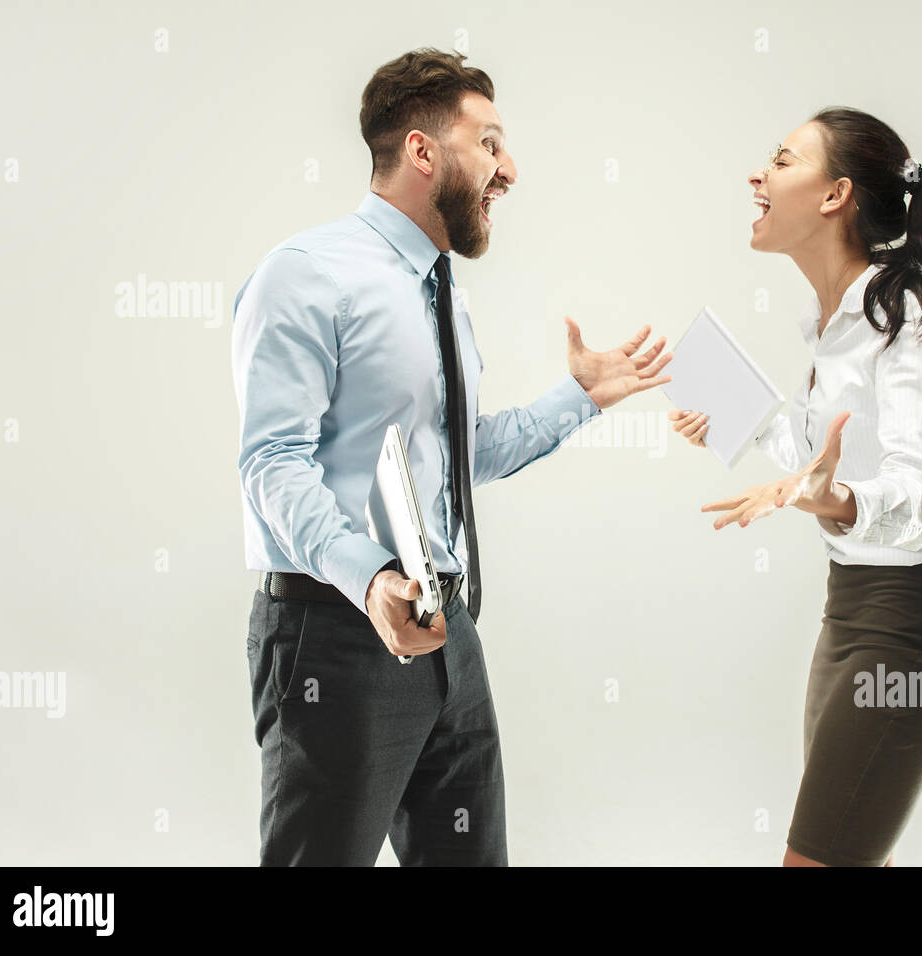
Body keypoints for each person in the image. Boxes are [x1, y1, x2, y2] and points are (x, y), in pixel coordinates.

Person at [232, 47, 673, 866]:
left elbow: (454, 456)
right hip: (334, 633)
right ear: (422, 151)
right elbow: (273, 464)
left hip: (448, 630)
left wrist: (580, 398)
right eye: (492, 144)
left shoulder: (435, 291)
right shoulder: (304, 275)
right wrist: (369, 578)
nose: (511, 170)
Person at [670, 107, 922, 867]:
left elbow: (912, 503)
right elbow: (826, 454)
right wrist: (742, 421)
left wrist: (829, 499)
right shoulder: (838, 322)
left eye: (782, 161)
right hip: (846, 620)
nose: (759, 174)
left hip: (913, 636)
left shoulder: (907, 310)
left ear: (834, 195)